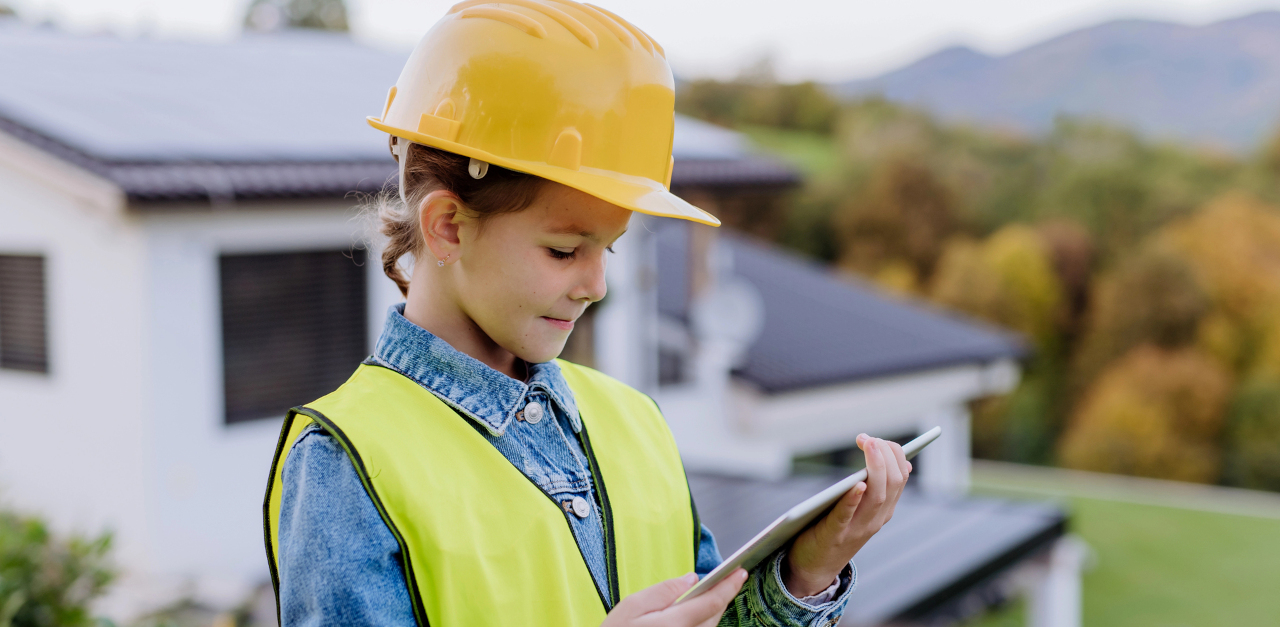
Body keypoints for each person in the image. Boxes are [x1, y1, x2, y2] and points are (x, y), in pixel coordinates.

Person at [262, 2, 912, 626]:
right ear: (448, 227)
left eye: (610, 248)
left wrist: (806, 573)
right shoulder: (346, 462)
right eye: (564, 250)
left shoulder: (633, 420)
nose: (597, 285)